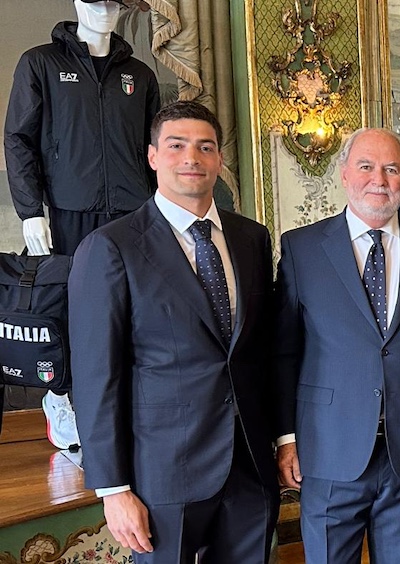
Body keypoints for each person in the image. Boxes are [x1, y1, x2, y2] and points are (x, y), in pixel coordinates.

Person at [68, 101, 278, 563]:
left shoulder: (252, 239)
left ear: (219, 160)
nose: (192, 158)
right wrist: (113, 488)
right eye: (177, 146)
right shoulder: (110, 248)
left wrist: (283, 439)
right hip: (161, 476)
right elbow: (95, 375)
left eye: (205, 147)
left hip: (249, 466)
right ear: (152, 156)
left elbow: (263, 353)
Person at [273, 128, 400, 563]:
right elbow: (285, 352)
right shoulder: (301, 249)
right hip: (328, 450)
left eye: (391, 169)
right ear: (344, 174)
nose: (378, 180)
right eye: (366, 166)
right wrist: (286, 437)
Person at [4, 0, 160, 450]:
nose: (108, 9)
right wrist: (31, 210)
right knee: (71, 308)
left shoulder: (140, 75)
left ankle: (128, 408)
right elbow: (18, 139)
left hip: (133, 212)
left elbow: (154, 151)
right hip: (67, 210)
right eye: (98, 1)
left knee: (132, 308)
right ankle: (62, 398)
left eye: (116, 2)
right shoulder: (41, 63)